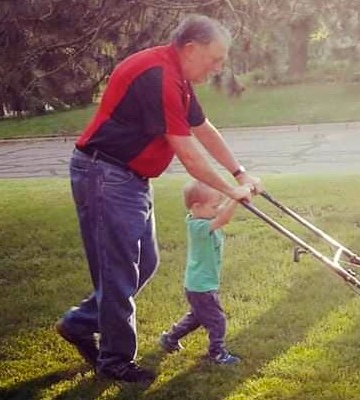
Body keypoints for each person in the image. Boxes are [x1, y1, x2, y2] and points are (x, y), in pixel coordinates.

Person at [55, 15, 262, 384]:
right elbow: (188, 153)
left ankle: (80, 323)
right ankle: (115, 361)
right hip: (106, 175)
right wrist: (231, 191)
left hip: (130, 179)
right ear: (191, 49)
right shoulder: (159, 75)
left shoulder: (178, 77)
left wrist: (239, 172)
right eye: (215, 59)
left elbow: (202, 128)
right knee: (119, 273)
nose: (218, 67)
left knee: (144, 263)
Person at [158, 180, 245, 364]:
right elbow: (224, 218)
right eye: (214, 206)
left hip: (199, 283)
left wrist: (235, 196)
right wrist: (236, 200)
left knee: (196, 317)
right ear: (197, 207)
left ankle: (170, 338)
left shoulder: (203, 217)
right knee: (217, 320)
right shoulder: (198, 226)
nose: (218, 209)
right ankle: (217, 353)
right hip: (201, 286)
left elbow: (222, 211)